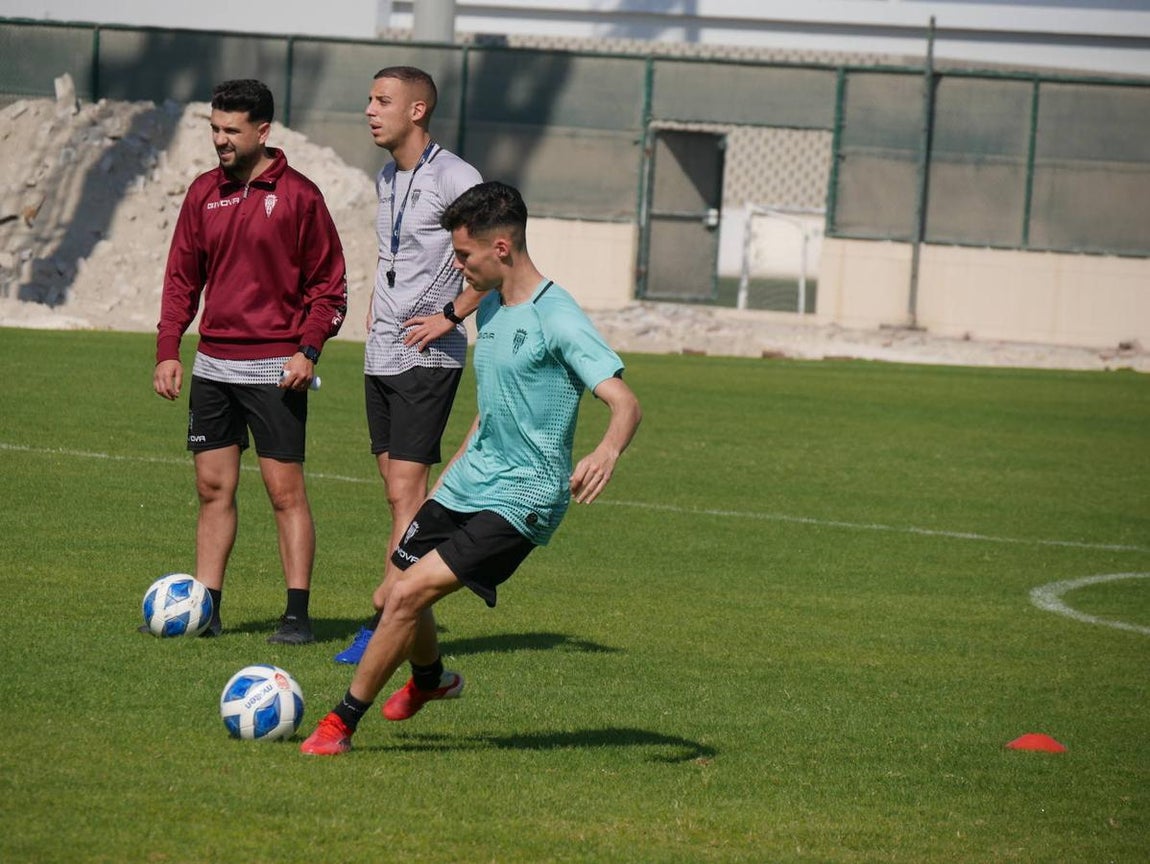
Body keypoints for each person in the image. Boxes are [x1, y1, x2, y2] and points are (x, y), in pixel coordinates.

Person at [300, 181, 642, 755]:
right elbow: (491, 399)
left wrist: (605, 451)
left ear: (501, 249)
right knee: (391, 597)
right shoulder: (492, 301)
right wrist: (449, 476)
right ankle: (431, 681)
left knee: (408, 597)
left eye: (464, 256)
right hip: (470, 478)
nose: (458, 267)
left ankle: (338, 724)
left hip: (523, 495)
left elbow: (624, 401)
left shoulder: (558, 318)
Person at [153, 79, 348, 644]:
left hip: (274, 369)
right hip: (213, 366)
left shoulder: (300, 197)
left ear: (263, 131)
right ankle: (206, 608)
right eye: (214, 128)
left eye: (230, 130)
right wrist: (170, 349)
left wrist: (308, 349)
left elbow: (329, 289)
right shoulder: (202, 194)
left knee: (284, 493)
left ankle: (296, 615)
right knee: (213, 489)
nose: (220, 140)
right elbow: (181, 280)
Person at [332, 66, 484, 665]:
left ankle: (386, 620)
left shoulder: (455, 176)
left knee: (407, 492)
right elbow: (398, 254)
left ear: (417, 111)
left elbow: (494, 260)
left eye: (382, 100)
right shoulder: (387, 177)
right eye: (369, 98)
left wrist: (450, 315)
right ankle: (410, 608)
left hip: (428, 355)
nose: (370, 109)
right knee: (396, 496)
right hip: (383, 352)